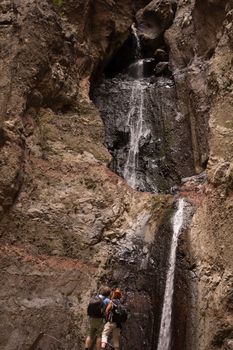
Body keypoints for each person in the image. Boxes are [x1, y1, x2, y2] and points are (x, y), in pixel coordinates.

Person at [85, 286, 111, 350]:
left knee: (90, 335)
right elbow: (109, 309)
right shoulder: (107, 300)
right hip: (100, 320)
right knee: (99, 336)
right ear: (108, 293)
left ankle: (86, 348)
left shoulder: (96, 297)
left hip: (92, 318)